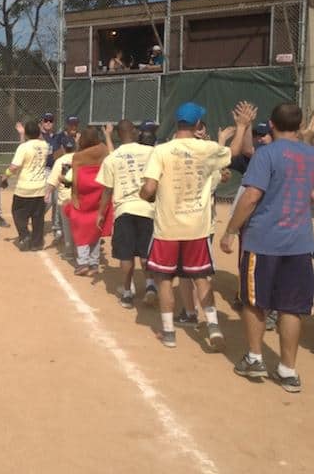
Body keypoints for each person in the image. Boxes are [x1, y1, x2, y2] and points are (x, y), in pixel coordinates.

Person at [220, 103, 314, 393]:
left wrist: (230, 230)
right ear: (300, 125)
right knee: (291, 308)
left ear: (271, 124)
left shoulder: (266, 154)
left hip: (264, 241)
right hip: (300, 243)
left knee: (255, 302)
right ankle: (288, 370)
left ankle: (255, 358)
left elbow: (251, 196)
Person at [140, 102, 231, 350]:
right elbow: (228, 156)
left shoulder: (161, 150)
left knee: (164, 279)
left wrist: (144, 195)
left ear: (177, 123)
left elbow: (149, 187)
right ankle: (213, 326)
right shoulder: (207, 148)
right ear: (198, 124)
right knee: (201, 277)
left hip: (168, 228)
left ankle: (169, 332)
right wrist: (242, 127)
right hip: (197, 228)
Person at [97, 119, 158, 308]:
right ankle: (150, 285)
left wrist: (101, 213)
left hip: (124, 210)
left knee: (126, 254)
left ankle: (127, 293)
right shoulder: (151, 152)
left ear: (118, 134)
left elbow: (107, 190)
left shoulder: (112, 158)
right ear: (132, 131)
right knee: (146, 252)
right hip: (148, 209)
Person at [64, 126, 113, 277]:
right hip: (99, 192)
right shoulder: (103, 150)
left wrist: (74, 197)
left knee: (80, 228)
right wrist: (107, 135)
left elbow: (75, 179)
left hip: (84, 194)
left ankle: (83, 263)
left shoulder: (78, 156)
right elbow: (112, 154)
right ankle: (94, 263)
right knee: (95, 228)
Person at [2, 120, 50, 251]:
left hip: (24, 189)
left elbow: (14, 167)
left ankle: (25, 235)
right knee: (38, 217)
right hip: (40, 188)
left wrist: (5, 177)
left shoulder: (23, 148)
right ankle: (37, 243)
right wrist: (26, 133)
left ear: (27, 134)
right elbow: (35, 142)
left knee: (18, 213)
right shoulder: (45, 145)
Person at [50, 115, 80, 241]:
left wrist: (78, 143)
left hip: (76, 173)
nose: (73, 127)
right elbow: (55, 156)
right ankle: (58, 228)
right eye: (71, 124)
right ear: (67, 125)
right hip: (62, 171)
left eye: (75, 124)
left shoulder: (80, 136)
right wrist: (70, 147)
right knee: (58, 200)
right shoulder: (59, 137)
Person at [46, 135, 76, 259]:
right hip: (79, 198)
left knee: (67, 227)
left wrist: (47, 193)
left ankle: (69, 252)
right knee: (79, 225)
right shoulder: (80, 158)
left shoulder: (60, 161)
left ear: (63, 148)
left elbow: (53, 182)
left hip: (65, 199)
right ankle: (82, 251)